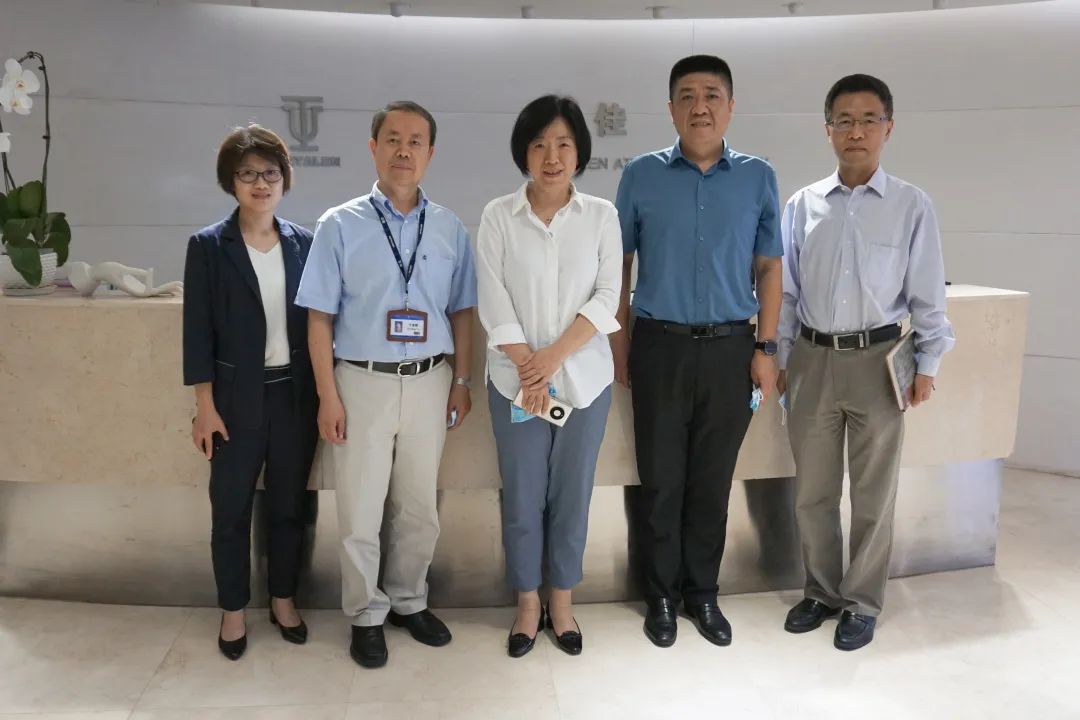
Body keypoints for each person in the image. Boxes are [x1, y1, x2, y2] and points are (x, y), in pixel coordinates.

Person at [295, 101, 477, 669]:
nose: (404, 150)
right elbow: (319, 317)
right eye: (393, 139)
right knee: (361, 508)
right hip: (361, 382)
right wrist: (327, 395)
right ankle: (365, 614)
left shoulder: (448, 227)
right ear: (373, 148)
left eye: (416, 141)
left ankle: (408, 600)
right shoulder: (339, 224)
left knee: (419, 506)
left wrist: (462, 380)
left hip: (429, 380)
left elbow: (462, 311)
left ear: (430, 153)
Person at [777, 74, 955, 651]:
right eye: (845, 121)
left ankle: (861, 602)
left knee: (874, 494)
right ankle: (821, 591)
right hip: (812, 359)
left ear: (888, 128)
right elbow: (786, 293)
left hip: (880, 361)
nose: (856, 131)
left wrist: (928, 363)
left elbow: (928, 294)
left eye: (869, 120)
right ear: (828, 129)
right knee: (814, 491)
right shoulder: (802, 205)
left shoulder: (911, 205)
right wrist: (780, 358)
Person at [612, 54, 783, 648]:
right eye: (687, 96)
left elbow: (769, 268)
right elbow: (620, 265)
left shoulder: (758, 177)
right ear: (671, 109)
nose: (700, 106)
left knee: (712, 480)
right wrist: (620, 343)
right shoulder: (641, 175)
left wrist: (766, 346)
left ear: (731, 106)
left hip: (732, 349)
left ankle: (702, 593)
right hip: (658, 346)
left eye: (712, 95)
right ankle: (660, 596)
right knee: (660, 480)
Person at [476, 95, 622, 658]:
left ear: (579, 152)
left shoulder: (601, 216)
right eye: (539, 144)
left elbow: (607, 295)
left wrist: (552, 358)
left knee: (571, 495)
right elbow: (493, 297)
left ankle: (561, 601)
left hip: (584, 381)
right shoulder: (498, 216)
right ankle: (527, 603)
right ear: (524, 153)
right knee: (522, 496)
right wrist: (528, 367)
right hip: (514, 383)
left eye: (563, 143)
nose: (552, 156)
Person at [183, 124, 318, 661]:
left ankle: (283, 600)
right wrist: (204, 406)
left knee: (288, 507)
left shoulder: (305, 243)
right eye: (247, 174)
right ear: (231, 181)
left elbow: (320, 323)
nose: (260, 183)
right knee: (231, 510)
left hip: (294, 398)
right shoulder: (208, 247)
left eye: (270, 173)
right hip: (234, 403)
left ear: (284, 178)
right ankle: (233, 610)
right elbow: (197, 332)